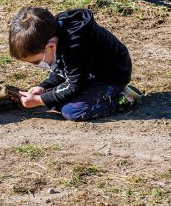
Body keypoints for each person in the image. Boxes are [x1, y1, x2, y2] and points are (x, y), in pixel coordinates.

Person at [9, 7, 142, 121]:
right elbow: (62, 70)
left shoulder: (74, 48)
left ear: (50, 47)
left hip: (110, 77)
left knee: (72, 111)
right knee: (54, 97)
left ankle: (123, 99)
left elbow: (74, 84)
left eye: (36, 61)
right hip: (86, 73)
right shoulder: (54, 34)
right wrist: (43, 87)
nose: (36, 65)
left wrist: (39, 100)